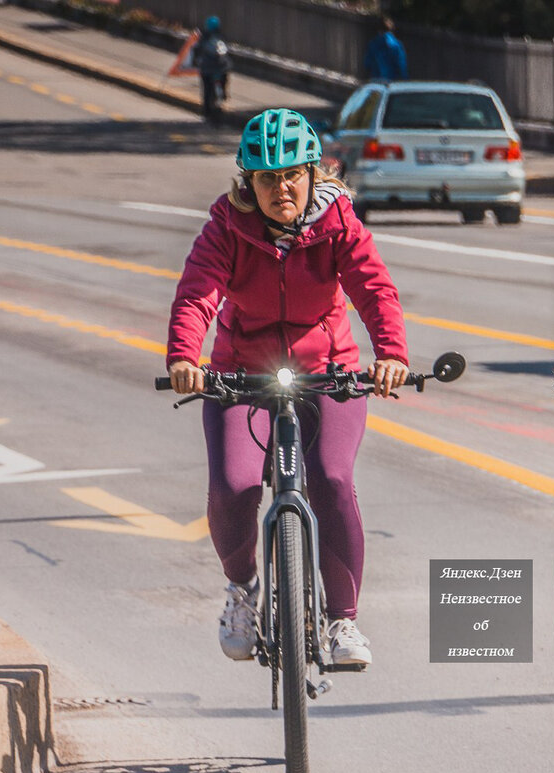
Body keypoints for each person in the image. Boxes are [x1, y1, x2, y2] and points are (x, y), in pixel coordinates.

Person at [166, 108, 408, 666]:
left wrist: (391, 355)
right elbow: (197, 294)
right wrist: (185, 357)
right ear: (247, 182)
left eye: (293, 174)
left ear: (313, 172)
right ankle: (242, 591)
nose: (282, 188)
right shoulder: (226, 227)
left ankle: (343, 621)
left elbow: (374, 289)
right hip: (241, 374)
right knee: (234, 485)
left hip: (330, 372)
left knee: (331, 477)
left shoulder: (338, 223)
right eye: (268, 177)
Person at [192, 15, 231, 125]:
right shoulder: (221, 36)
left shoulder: (204, 38)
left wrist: (196, 61)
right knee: (223, 80)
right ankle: (223, 94)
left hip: (208, 70)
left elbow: (196, 50)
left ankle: (206, 112)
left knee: (206, 91)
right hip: (221, 68)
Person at [364, 16, 408, 81]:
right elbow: (401, 66)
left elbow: (367, 63)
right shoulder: (397, 45)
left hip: (376, 81)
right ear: (392, 29)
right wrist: (404, 79)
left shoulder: (373, 43)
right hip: (392, 82)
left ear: (379, 30)